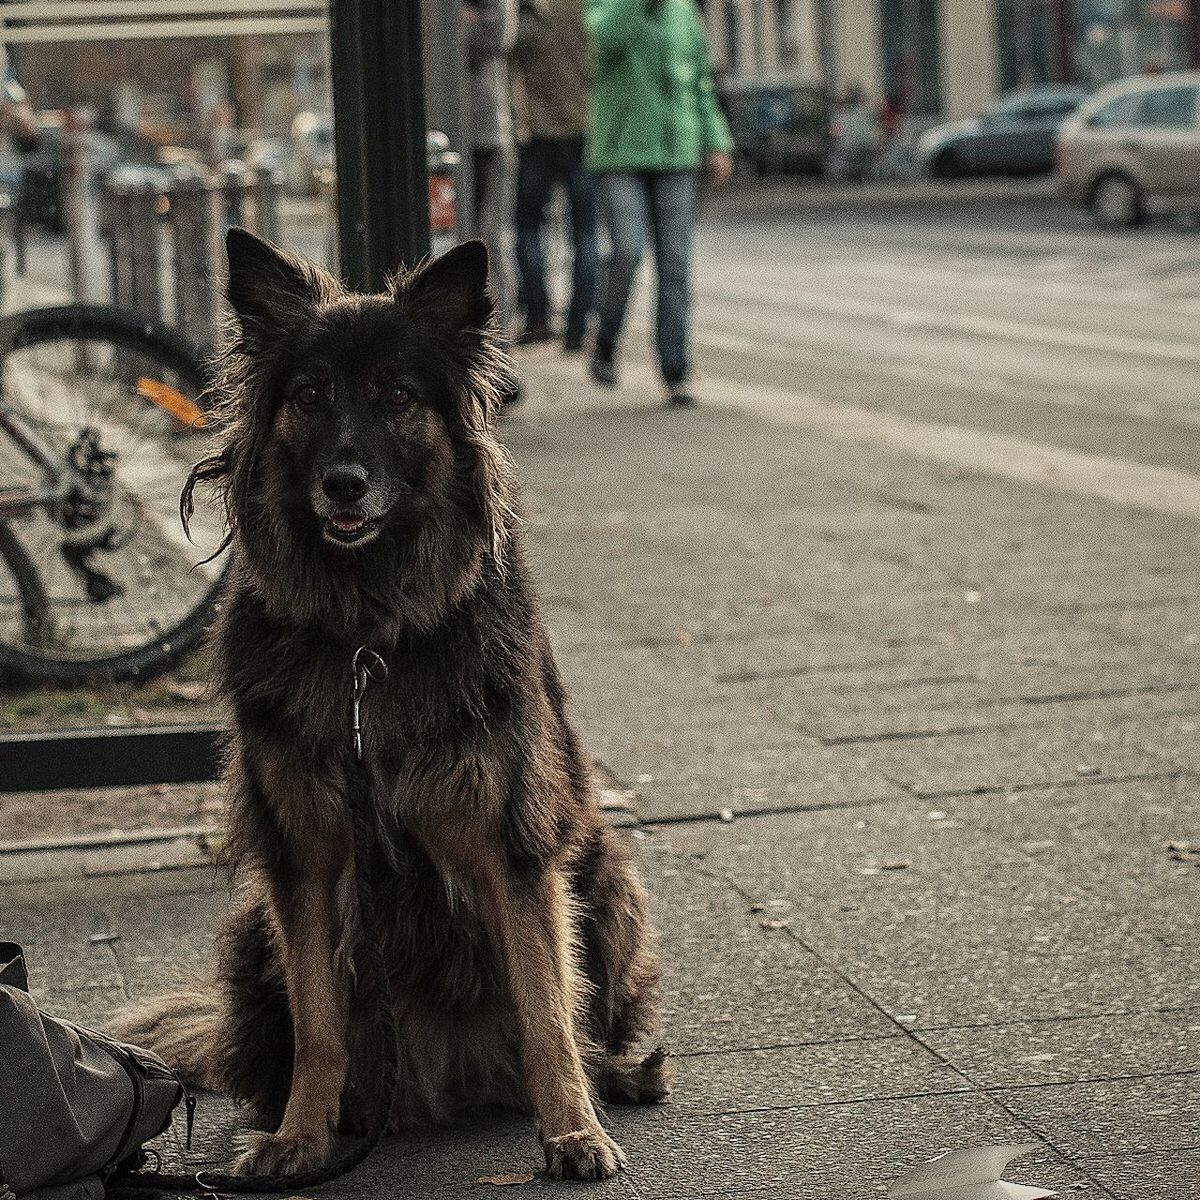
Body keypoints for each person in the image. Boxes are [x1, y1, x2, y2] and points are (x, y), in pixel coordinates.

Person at [585, 0, 733, 408]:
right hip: (620, 154)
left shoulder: (683, 10)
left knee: (676, 262)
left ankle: (675, 367)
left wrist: (715, 140)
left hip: (676, 151)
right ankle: (606, 338)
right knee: (627, 251)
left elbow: (700, 81)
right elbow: (604, 41)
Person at [510, 0, 598, 352]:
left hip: (539, 136)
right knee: (586, 235)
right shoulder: (591, 11)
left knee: (528, 229)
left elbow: (509, 49)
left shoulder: (534, 12)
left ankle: (538, 317)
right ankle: (578, 327)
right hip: (585, 134)